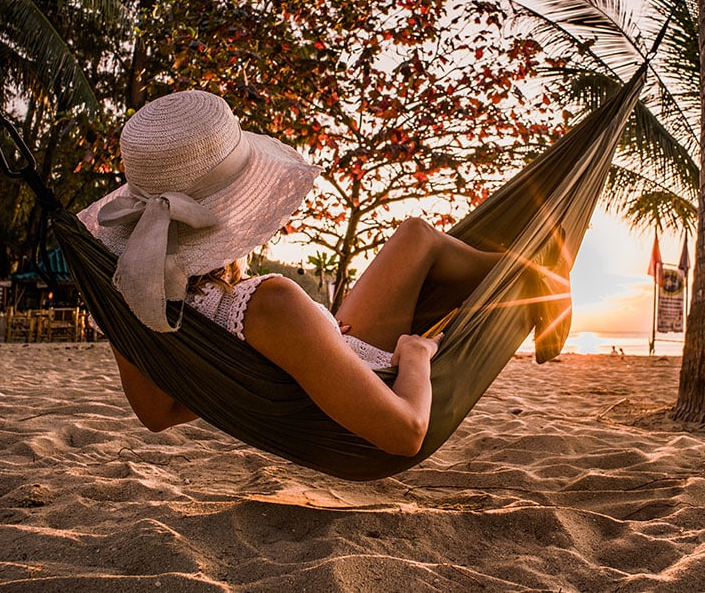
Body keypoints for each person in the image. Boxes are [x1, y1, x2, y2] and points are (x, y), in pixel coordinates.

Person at [78, 90, 569, 456]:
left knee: (416, 235)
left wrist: (294, 363)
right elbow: (406, 434)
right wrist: (416, 354)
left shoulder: (135, 301)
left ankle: (529, 277)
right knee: (419, 237)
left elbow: (157, 415)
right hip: (379, 385)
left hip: (326, 367)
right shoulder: (271, 302)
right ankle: (532, 276)